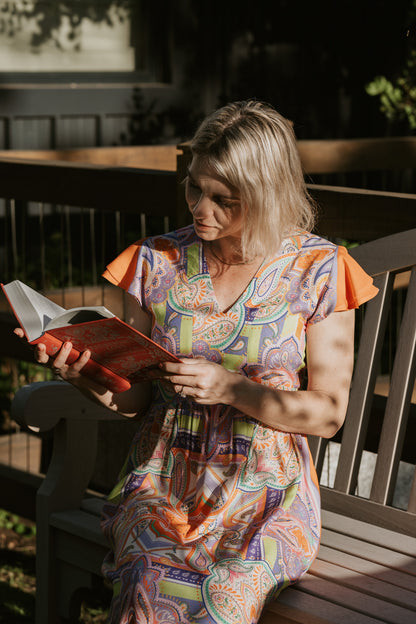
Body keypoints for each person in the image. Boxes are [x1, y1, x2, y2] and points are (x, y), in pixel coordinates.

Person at [16, 100, 378, 624]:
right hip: (164, 480)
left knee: (227, 591)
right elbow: (135, 397)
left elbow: (328, 413)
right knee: (149, 579)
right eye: (194, 187)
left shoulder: (317, 270)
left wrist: (232, 389)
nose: (199, 208)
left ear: (266, 194)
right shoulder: (157, 261)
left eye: (223, 199)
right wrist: (87, 377)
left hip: (265, 493)